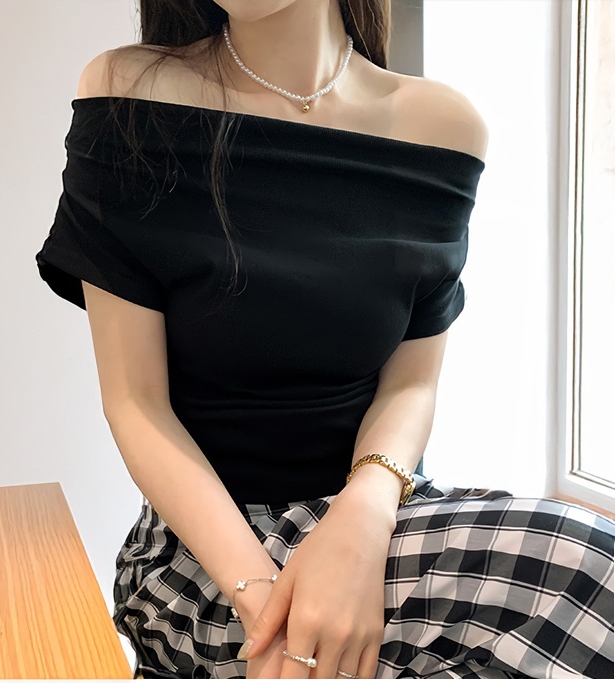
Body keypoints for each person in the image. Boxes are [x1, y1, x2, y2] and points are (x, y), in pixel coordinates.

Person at [35, 0, 615, 678]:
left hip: (378, 521)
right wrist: (267, 609)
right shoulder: (130, 94)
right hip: (207, 555)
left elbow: (411, 383)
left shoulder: (444, 126)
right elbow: (137, 404)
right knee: (588, 569)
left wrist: (363, 521)